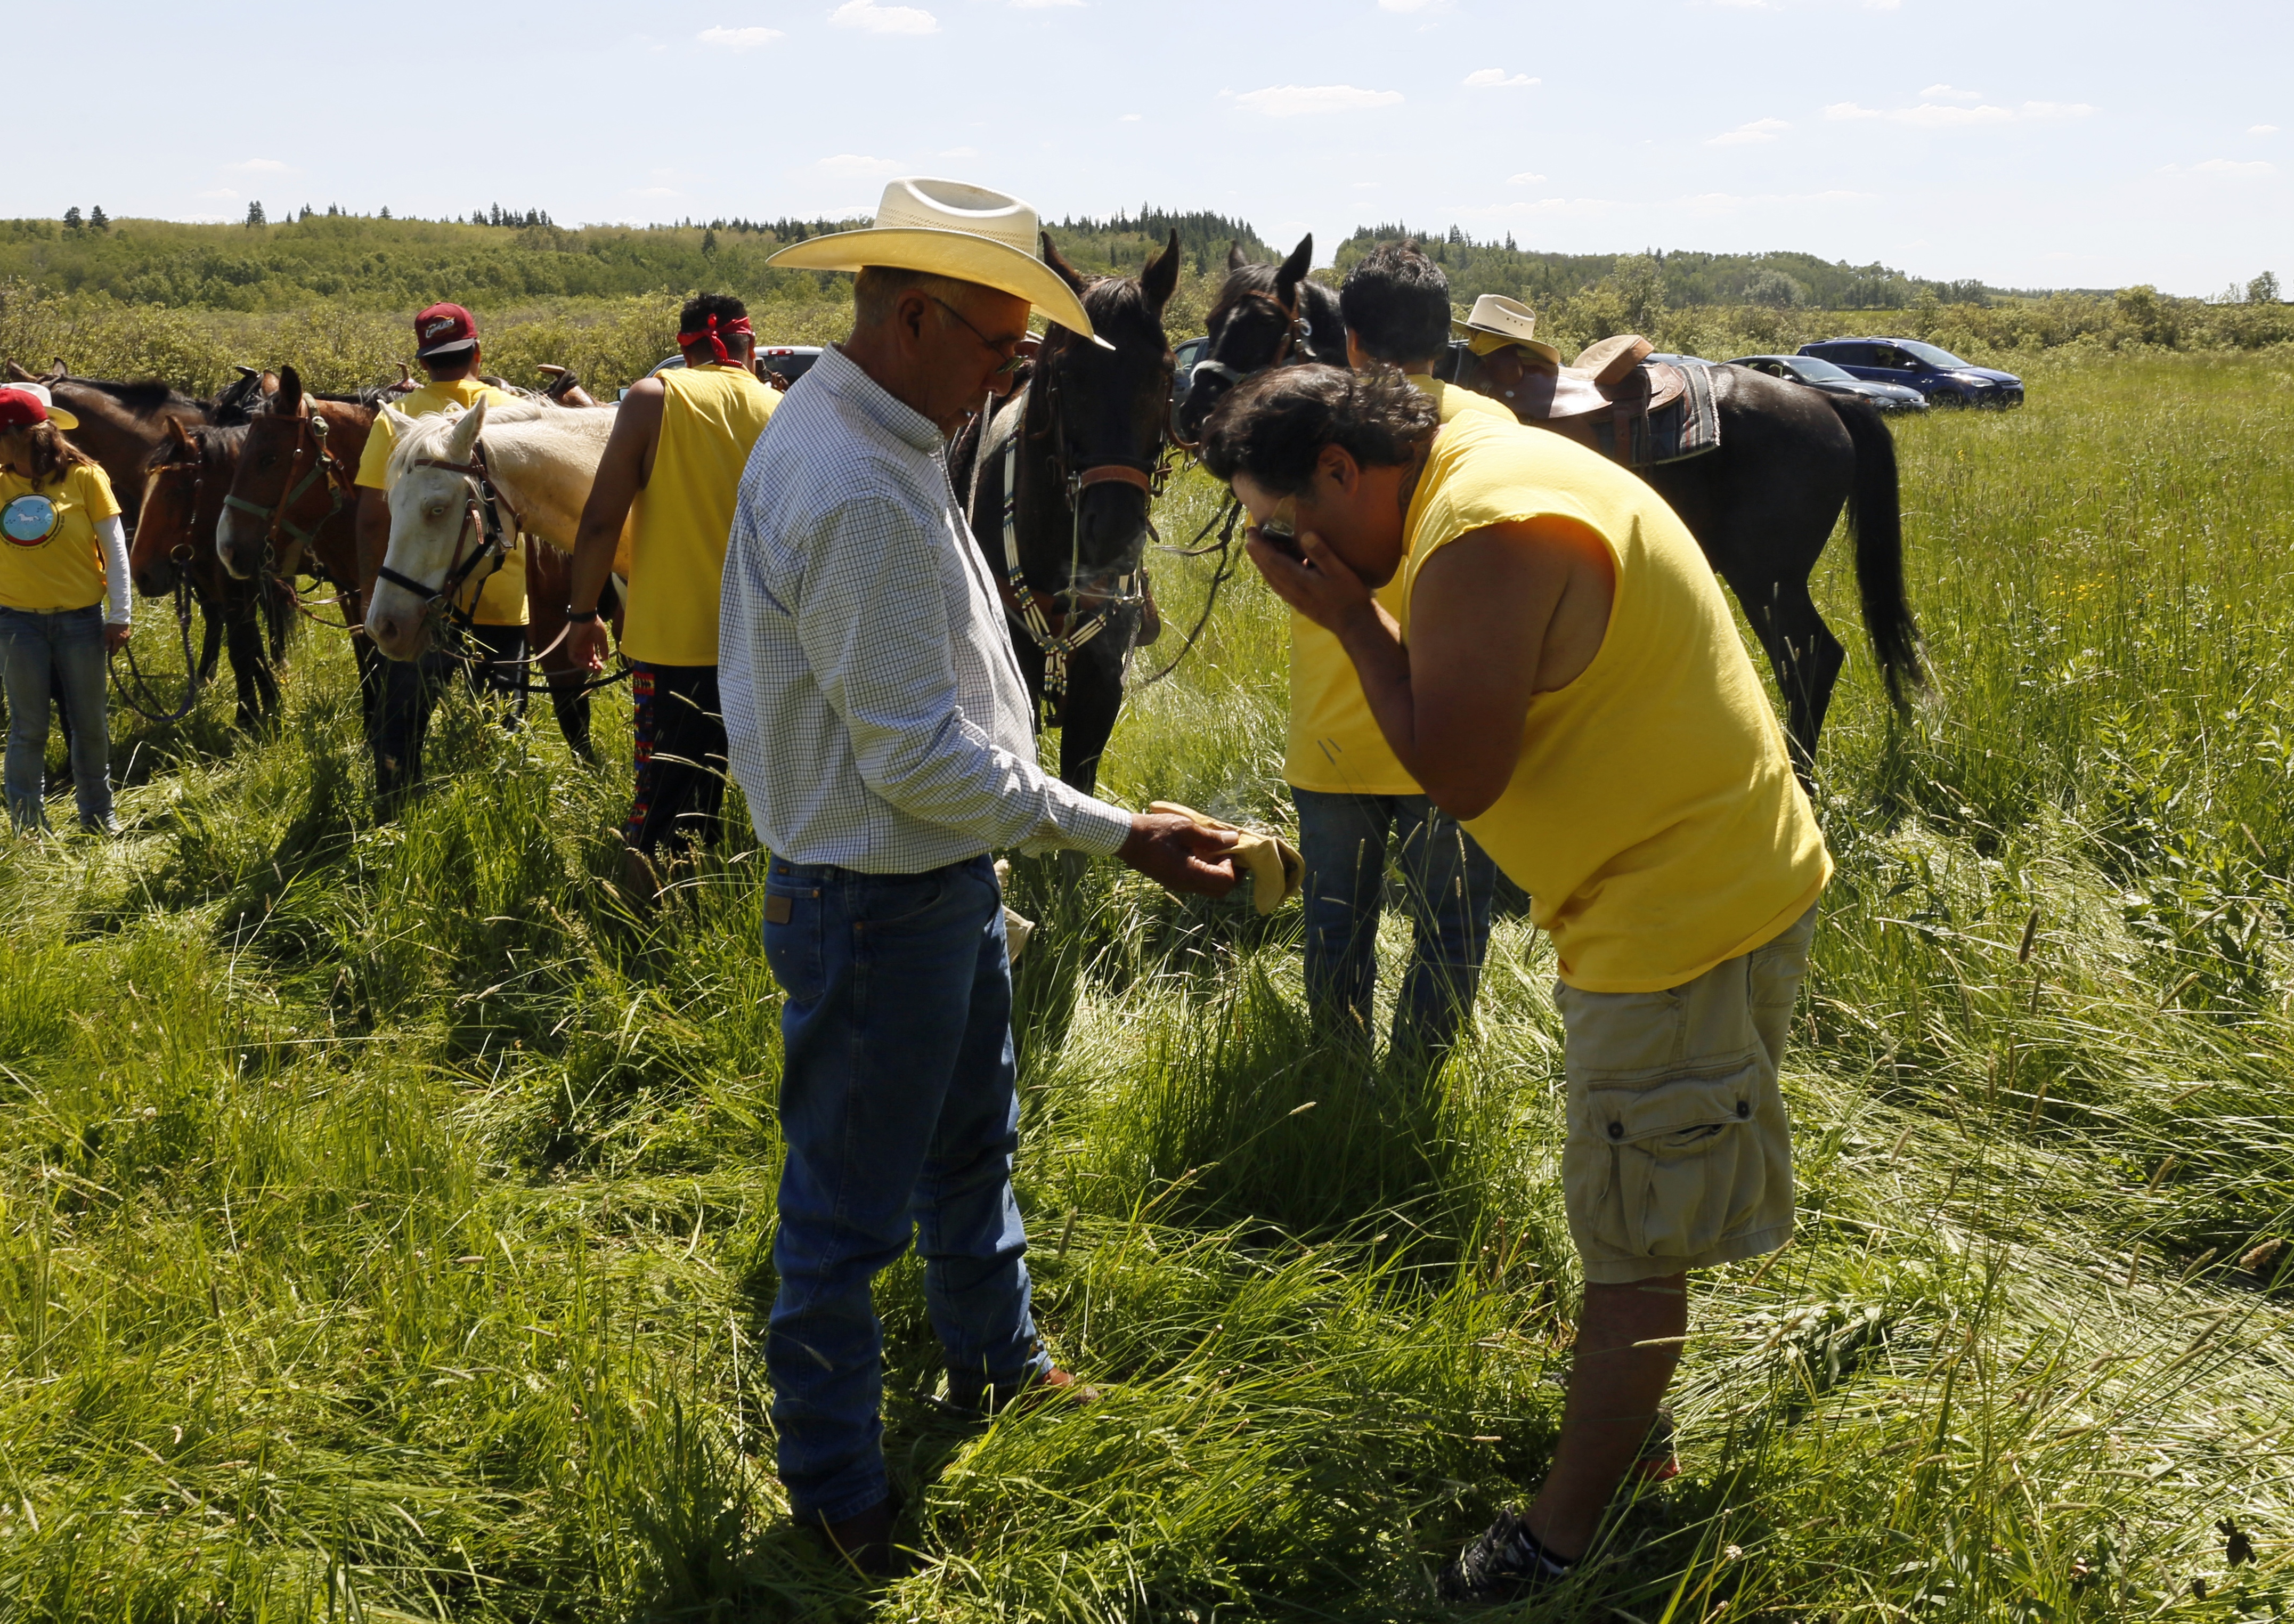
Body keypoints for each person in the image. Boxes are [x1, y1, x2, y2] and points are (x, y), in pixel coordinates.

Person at [1199, 366, 1831, 1604]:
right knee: (1645, 1202)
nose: (1280, 552)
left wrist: (1349, 621)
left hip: (1671, 922)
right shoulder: (1479, 446)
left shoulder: (1479, 534)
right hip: (1724, 871)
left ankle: (1557, 1538)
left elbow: (1459, 773)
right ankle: (1636, 1439)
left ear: (1342, 468)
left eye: (1284, 526)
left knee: (1631, 1241)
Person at [723, 177, 1242, 1574]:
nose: (1009, 379)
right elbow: (916, 760)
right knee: (844, 1213)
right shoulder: (858, 482)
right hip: (879, 893)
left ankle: (996, 1359)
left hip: (927, 888)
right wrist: (1116, 831)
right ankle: (836, 1498)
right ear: (913, 317)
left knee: (970, 1146)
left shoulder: (878, 437)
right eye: (999, 354)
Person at [1285, 238, 1519, 1070]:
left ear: (1350, 339)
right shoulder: (1492, 428)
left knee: (1334, 926)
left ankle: (1339, 1089)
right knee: (1452, 925)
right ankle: (1418, 1088)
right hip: (1453, 733)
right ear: (1445, 337)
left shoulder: (1308, 427)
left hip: (1333, 736)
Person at [565, 294, 780, 907]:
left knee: (665, 791)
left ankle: (644, 916)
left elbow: (602, 520)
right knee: (751, 790)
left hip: (673, 642)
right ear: (751, 346)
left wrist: (583, 615)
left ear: (682, 347)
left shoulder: (652, 400)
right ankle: (726, 899)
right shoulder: (783, 408)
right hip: (766, 642)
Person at [0, 385, 134, 833]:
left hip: (80, 618)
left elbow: (115, 548)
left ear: (21, 434)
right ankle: (28, 829)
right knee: (28, 729)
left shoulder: (86, 478)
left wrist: (120, 615)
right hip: (13, 620)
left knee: (89, 725)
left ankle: (99, 818)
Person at [356, 303, 531, 796]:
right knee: (501, 740)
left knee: (401, 731)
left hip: (415, 601)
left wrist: (372, 594)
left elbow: (371, 515)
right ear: (477, 352)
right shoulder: (509, 410)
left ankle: (394, 819)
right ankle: (497, 821)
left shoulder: (399, 417)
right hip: (501, 598)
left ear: (424, 360)